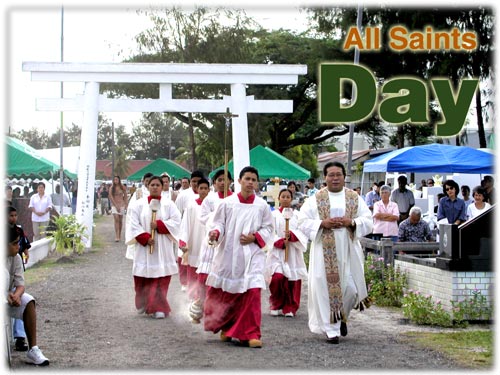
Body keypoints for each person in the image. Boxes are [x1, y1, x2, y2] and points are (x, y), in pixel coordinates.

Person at [297, 161, 373, 345]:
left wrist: (351, 222)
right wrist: (322, 224)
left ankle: (342, 317)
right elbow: (302, 221)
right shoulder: (316, 198)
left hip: (347, 249)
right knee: (325, 290)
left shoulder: (354, 197)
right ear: (325, 177)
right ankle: (332, 330)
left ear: (344, 176)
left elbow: (368, 220)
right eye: (331, 174)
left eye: (338, 174)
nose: (335, 178)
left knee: (351, 289)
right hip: (324, 249)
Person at [204, 166, 274, 348]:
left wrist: (254, 237)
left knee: (252, 291)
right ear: (239, 181)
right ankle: (227, 327)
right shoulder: (227, 203)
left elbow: (268, 228)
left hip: (252, 255)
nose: (250, 182)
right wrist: (215, 232)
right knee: (228, 292)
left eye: (253, 179)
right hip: (229, 254)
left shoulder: (262, 206)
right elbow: (218, 222)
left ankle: (250, 333)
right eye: (247, 179)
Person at [125, 175, 182, 319]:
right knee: (142, 278)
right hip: (144, 248)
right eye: (152, 185)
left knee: (160, 277)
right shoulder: (139, 204)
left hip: (162, 248)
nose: (155, 187)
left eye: (158, 185)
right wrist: (145, 237)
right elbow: (133, 224)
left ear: (162, 188)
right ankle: (144, 302)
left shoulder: (169, 205)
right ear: (147, 187)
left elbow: (176, 222)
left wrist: (160, 225)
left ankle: (159, 307)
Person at [6, 225, 50, 365]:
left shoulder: (16, 258)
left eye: (18, 243)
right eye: (14, 243)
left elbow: (20, 284)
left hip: (8, 297)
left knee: (29, 301)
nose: (18, 246)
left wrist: (17, 295)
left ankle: (33, 349)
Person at [195, 170, 234, 316]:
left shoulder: (236, 199)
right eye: (219, 180)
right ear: (215, 183)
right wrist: (218, 216)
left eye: (225, 180)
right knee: (206, 271)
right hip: (212, 239)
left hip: (229, 241)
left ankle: (222, 305)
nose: (223, 183)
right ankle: (202, 301)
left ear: (231, 182)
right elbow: (202, 217)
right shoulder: (210, 199)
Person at [264, 188, 308, 318]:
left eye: (288, 197)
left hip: (293, 252)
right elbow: (269, 232)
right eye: (283, 196)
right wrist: (278, 241)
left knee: (292, 280)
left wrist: (293, 236)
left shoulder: (298, 216)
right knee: (277, 279)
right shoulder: (273, 215)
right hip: (277, 252)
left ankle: (290, 306)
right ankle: (276, 303)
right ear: (278, 198)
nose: (285, 199)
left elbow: (303, 232)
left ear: (291, 199)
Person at [178, 178, 210, 302]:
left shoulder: (214, 206)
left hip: (208, 243)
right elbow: (185, 225)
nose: (203, 191)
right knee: (193, 269)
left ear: (209, 190)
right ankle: (193, 297)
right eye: (200, 188)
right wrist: (183, 241)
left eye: (205, 188)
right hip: (195, 241)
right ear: (197, 189)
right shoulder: (191, 206)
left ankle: (205, 297)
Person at [8, 205, 32, 352]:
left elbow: (24, 243)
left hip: (14, 277)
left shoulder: (18, 230)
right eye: (11, 215)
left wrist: (25, 251)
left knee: (21, 300)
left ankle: (20, 337)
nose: (13, 218)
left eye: (15, 215)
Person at [176, 170, 204, 291]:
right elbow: (177, 213)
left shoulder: (208, 194)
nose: (195, 184)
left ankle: (199, 284)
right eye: (193, 181)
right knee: (184, 255)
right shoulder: (183, 195)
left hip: (202, 230)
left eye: (198, 181)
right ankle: (184, 282)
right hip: (186, 228)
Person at [125, 173, 153, 260]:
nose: (147, 183)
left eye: (149, 181)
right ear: (143, 181)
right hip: (140, 222)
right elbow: (131, 209)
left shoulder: (156, 191)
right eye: (146, 181)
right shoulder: (139, 192)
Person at [109, 176, 128, 242]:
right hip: (114, 205)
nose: (115, 181)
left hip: (121, 204)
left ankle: (119, 235)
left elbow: (125, 195)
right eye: (114, 179)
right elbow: (111, 196)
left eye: (117, 179)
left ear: (119, 180)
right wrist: (115, 205)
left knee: (120, 220)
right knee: (116, 219)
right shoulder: (112, 187)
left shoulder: (122, 187)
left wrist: (126, 204)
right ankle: (116, 235)